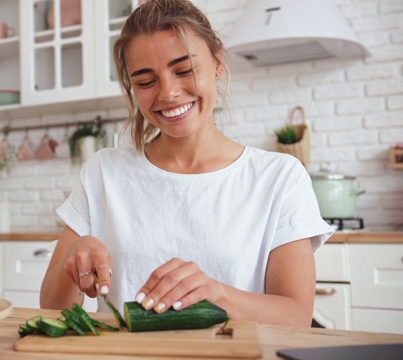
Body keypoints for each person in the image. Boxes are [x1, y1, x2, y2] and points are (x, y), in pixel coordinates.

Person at [40, 0, 333, 326]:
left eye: (184, 70)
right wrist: (72, 257)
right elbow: (52, 308)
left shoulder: (279, 177)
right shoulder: (103, 172)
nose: (168, 92)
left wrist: (215, 293)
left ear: (217, 62)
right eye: (146, 81)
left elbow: (296, 317)